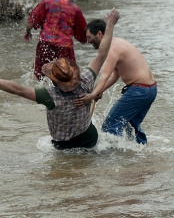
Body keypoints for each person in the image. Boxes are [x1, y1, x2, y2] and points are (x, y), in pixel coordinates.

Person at [1, 8, 120, 150]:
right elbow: (102, 55)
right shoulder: (86, 80)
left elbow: (17, 89)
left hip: (64, 146)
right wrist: (110, 25)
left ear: (53, 79)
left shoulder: (49, 96)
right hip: (89, 139)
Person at [74, 19, 157, 145]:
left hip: (139, 91)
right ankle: (139, 153)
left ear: (100, 34)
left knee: (109, 126)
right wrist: (99, 90)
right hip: (150, 90)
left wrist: (91, 95)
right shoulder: (117, 42)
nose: (88, 41)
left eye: (89, 37)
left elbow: (104, 77)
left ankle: (113, 158)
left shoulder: (111, 49)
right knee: (129, 125)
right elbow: (116, 74)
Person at [24, 0, 87, 80]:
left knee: (41, 76)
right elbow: (82, 34)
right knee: (67, 78)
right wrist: (85, 40)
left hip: (45, 43)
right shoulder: (75, 8)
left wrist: (28, 32)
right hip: (64, 47)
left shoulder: (46, 1)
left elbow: (32, 21)